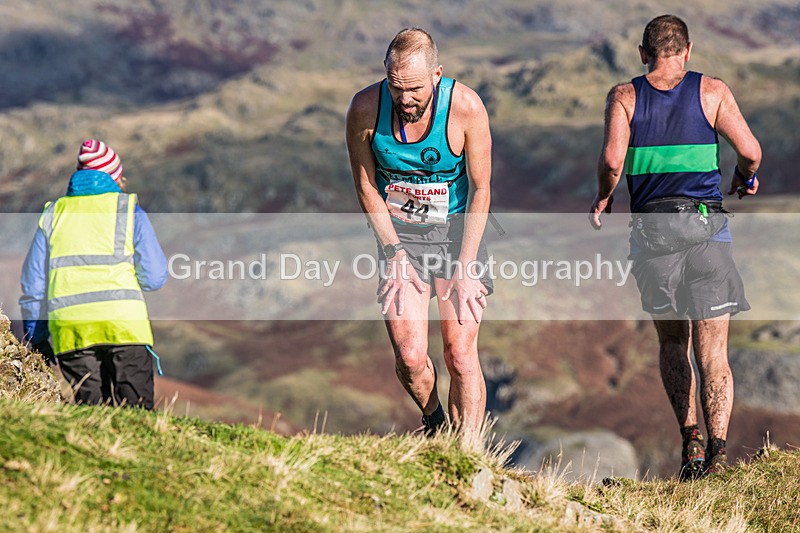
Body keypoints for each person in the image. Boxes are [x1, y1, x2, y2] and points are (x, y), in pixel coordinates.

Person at [589, 15, 761, 478]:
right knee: (714, 353)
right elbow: (751, 151)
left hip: (653, 236)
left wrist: (605, 195)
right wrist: (742, 179)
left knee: (672, 343)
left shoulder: (625, 97)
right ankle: (720, 456)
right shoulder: (712, 91)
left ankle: (691, 444)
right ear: (688, 52)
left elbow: (611, 160)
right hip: (707, 234)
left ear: (643, 54)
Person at [346, 28, 493, 446]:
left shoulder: (465, 107)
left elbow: (481, 188)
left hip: (458, 233)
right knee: (410, 358)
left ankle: (468, 454)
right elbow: (366, 185)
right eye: (396, 88)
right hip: (400, 239)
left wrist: (466, 267)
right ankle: (435, 423)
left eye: (414, 89)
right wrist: (392, 252)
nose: (405, 99)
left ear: (437, 75)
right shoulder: (364, 109)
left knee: (460, 354)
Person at [20, 139, 168, 409]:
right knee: (137, 418)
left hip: (72, 330)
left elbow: (34, 286)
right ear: (113, 176)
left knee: (91, 416)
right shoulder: (128, 209)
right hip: (124, 327)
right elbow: (155, 276)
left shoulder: (54, 214)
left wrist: (36, 335)